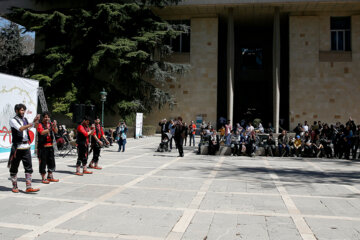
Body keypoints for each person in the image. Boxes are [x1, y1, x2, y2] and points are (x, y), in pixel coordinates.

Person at [8, 104, 40, 193]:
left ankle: (29, 186)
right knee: (14, 167)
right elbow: (21, 128)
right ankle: (14, 186)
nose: (23, 112)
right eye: (21, 110)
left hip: (26, 147)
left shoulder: (26, 119)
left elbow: (34, 126)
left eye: (23, 110)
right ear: (16, 111)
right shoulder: (13, 120)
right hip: (17, 147)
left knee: (28, 167)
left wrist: (36, 121)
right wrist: (32, 123)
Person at [37, 111, 59, 184]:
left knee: (51, 161)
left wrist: (55, 126)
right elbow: (42, 132)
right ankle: (43, 178)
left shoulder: (50, 124)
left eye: (48, 117)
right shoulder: (40, 125)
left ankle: (50, 176)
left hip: (50, 146)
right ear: (43, 118)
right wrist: (50, 129)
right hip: (42, 147)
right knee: (43, 162)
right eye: (45, 117)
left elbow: (56, 132)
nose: (47, 118)